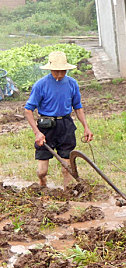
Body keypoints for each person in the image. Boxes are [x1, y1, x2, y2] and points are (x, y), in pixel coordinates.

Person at [24, 51, 93, 188]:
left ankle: (66, 191)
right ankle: (42, 184)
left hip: (65, 125)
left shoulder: (72, 83)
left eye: (63, 71)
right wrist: (37, 132)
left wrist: (86, 127)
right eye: (56, 71)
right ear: (50, 69)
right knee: (42, 171)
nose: (60, 75)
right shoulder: (40, 85)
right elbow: (28, 110)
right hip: (46, 127)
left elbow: (78, 107)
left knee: (67, 166)